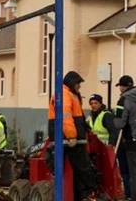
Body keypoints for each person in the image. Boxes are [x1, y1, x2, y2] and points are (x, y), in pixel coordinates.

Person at [48, 70, 101, 201]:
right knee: (83, 166)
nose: (79, 86)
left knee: (78, 168)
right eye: (78, 83)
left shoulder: (69, 94)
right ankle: (90, 192)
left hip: (69, 137)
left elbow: (77, 116)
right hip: (69, 138)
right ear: (72, 82)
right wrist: (72, 136)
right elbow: (66, 117)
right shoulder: (65, 95)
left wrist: (86, 128)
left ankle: (83, 194)